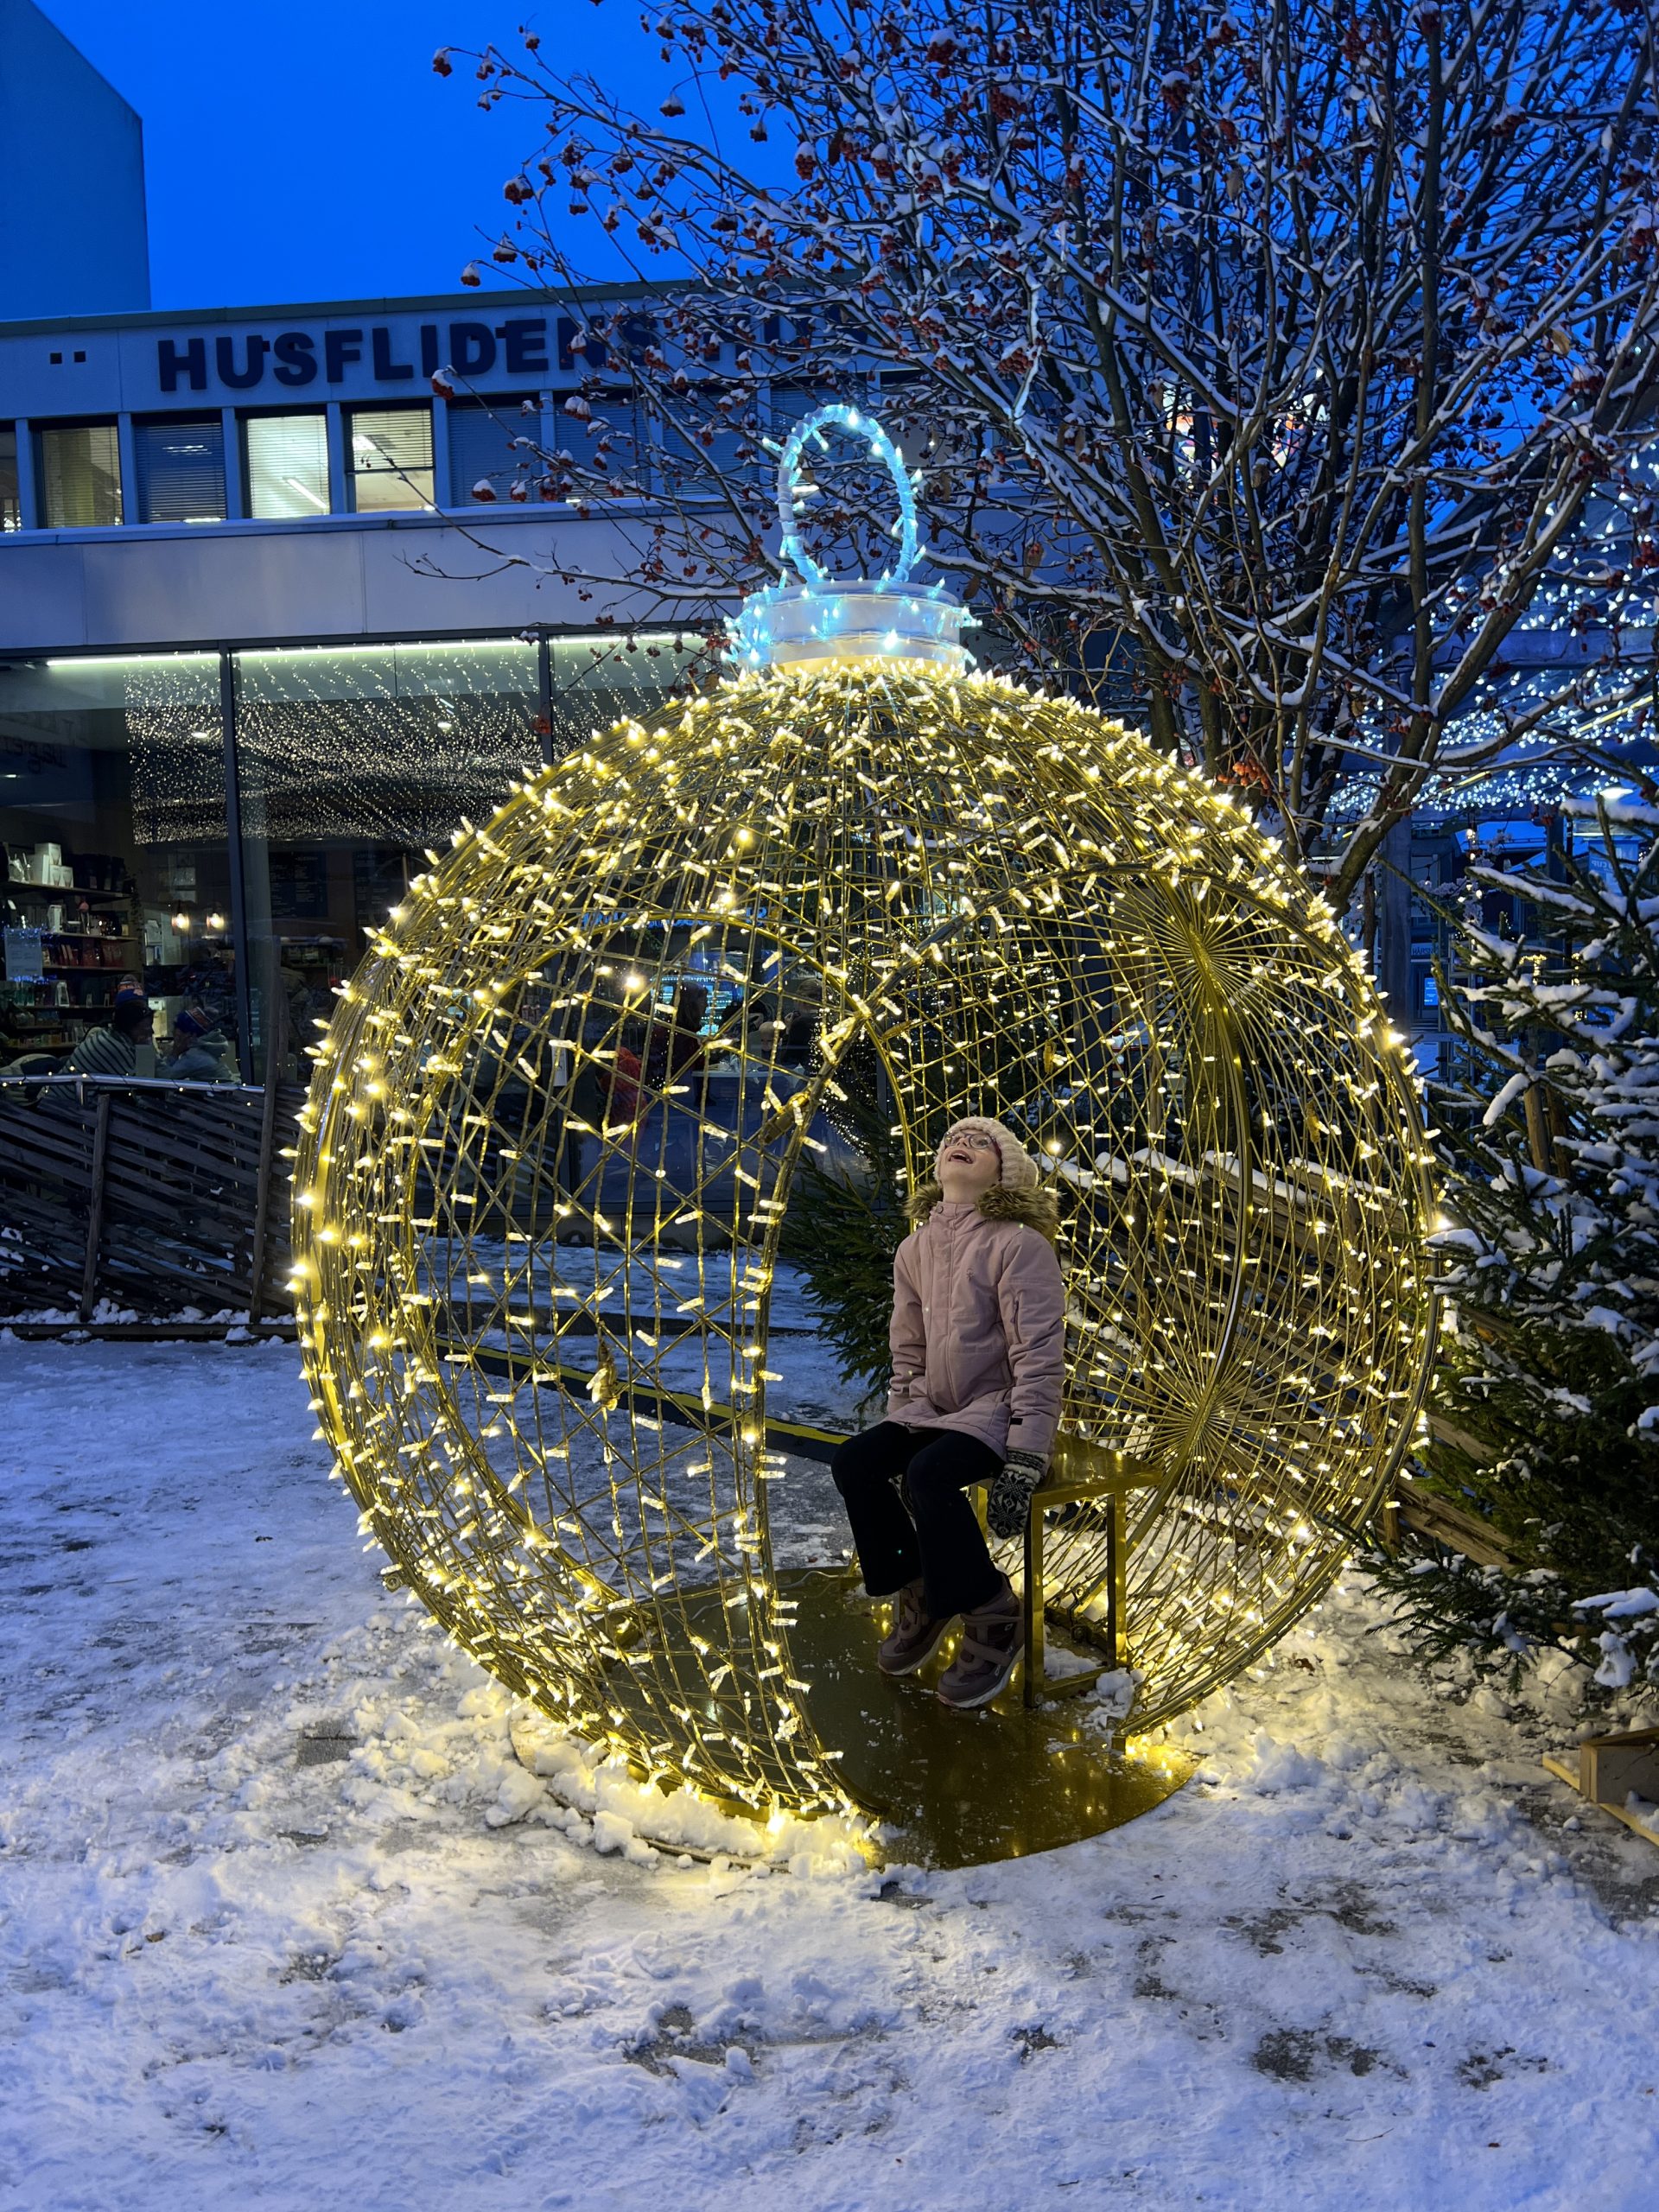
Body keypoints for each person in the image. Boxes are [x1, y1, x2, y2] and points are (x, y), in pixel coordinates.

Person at [830, 1116, 1066, 1710]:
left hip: (997, 1412)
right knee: (856, 1462)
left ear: (1004, 1168)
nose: (959, 1145)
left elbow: (1039, 1355)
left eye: (978, 1143)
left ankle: (991, 1609)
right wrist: (903, 1414)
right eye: (950, 1142)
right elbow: (906, 1348)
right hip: (934, 1409)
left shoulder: (1018, 1244)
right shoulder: (916, 1248)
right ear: (936, 1168)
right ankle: (921, 1590)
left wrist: (1027, 1454)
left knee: (928, 1476)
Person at [61, 992, 154, 1078]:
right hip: (74, 1095)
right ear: (132, 1027)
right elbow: (140, 1083)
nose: (152, 1032)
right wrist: (147, 1046)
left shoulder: (110, 1036)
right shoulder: (115, 1047)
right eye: (146, 1028)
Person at [162, 1001, 238, 1084]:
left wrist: (175, 1052)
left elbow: (165, 1077)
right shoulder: (201, 1050)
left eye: (179, 1035)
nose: (174, 1033)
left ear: (191, 1036)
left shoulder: (194, 1057)